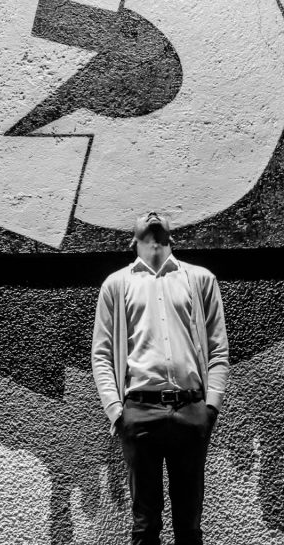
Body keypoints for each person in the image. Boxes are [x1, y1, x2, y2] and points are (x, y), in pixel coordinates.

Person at [91, 211, 229, 545]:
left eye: (159, 215)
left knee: (189, 527)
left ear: (172, 237)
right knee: (145, 525)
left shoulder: (200, 280)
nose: (152, 214)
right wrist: (116, 412)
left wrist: (209, 409)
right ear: (132, 240)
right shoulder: (116, 284)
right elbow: (102, 354)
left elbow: (219, 350)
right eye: (144, 216)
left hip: (191, 411)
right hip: (139, 413)